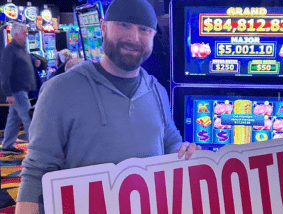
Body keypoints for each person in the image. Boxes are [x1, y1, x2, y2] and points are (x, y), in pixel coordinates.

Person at [15, 0, 200, 213]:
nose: (134, 37)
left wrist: (184, 152)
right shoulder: (60, 90)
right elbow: (36, 173)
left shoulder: (157, 90)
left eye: (144, 30)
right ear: (103, 26)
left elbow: (170, 141)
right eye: (124, 25)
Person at [0, 22, 37, 155]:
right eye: (24, 33)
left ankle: (8, 145)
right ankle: (36, 148)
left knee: (13, 119)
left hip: (21, 90)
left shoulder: (21, 48)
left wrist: (34, 62)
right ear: (15, 34)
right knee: (29, 119)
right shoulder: (10, 50)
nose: (27, 35)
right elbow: (4, 73)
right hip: (16, 91)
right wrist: (8, 93)